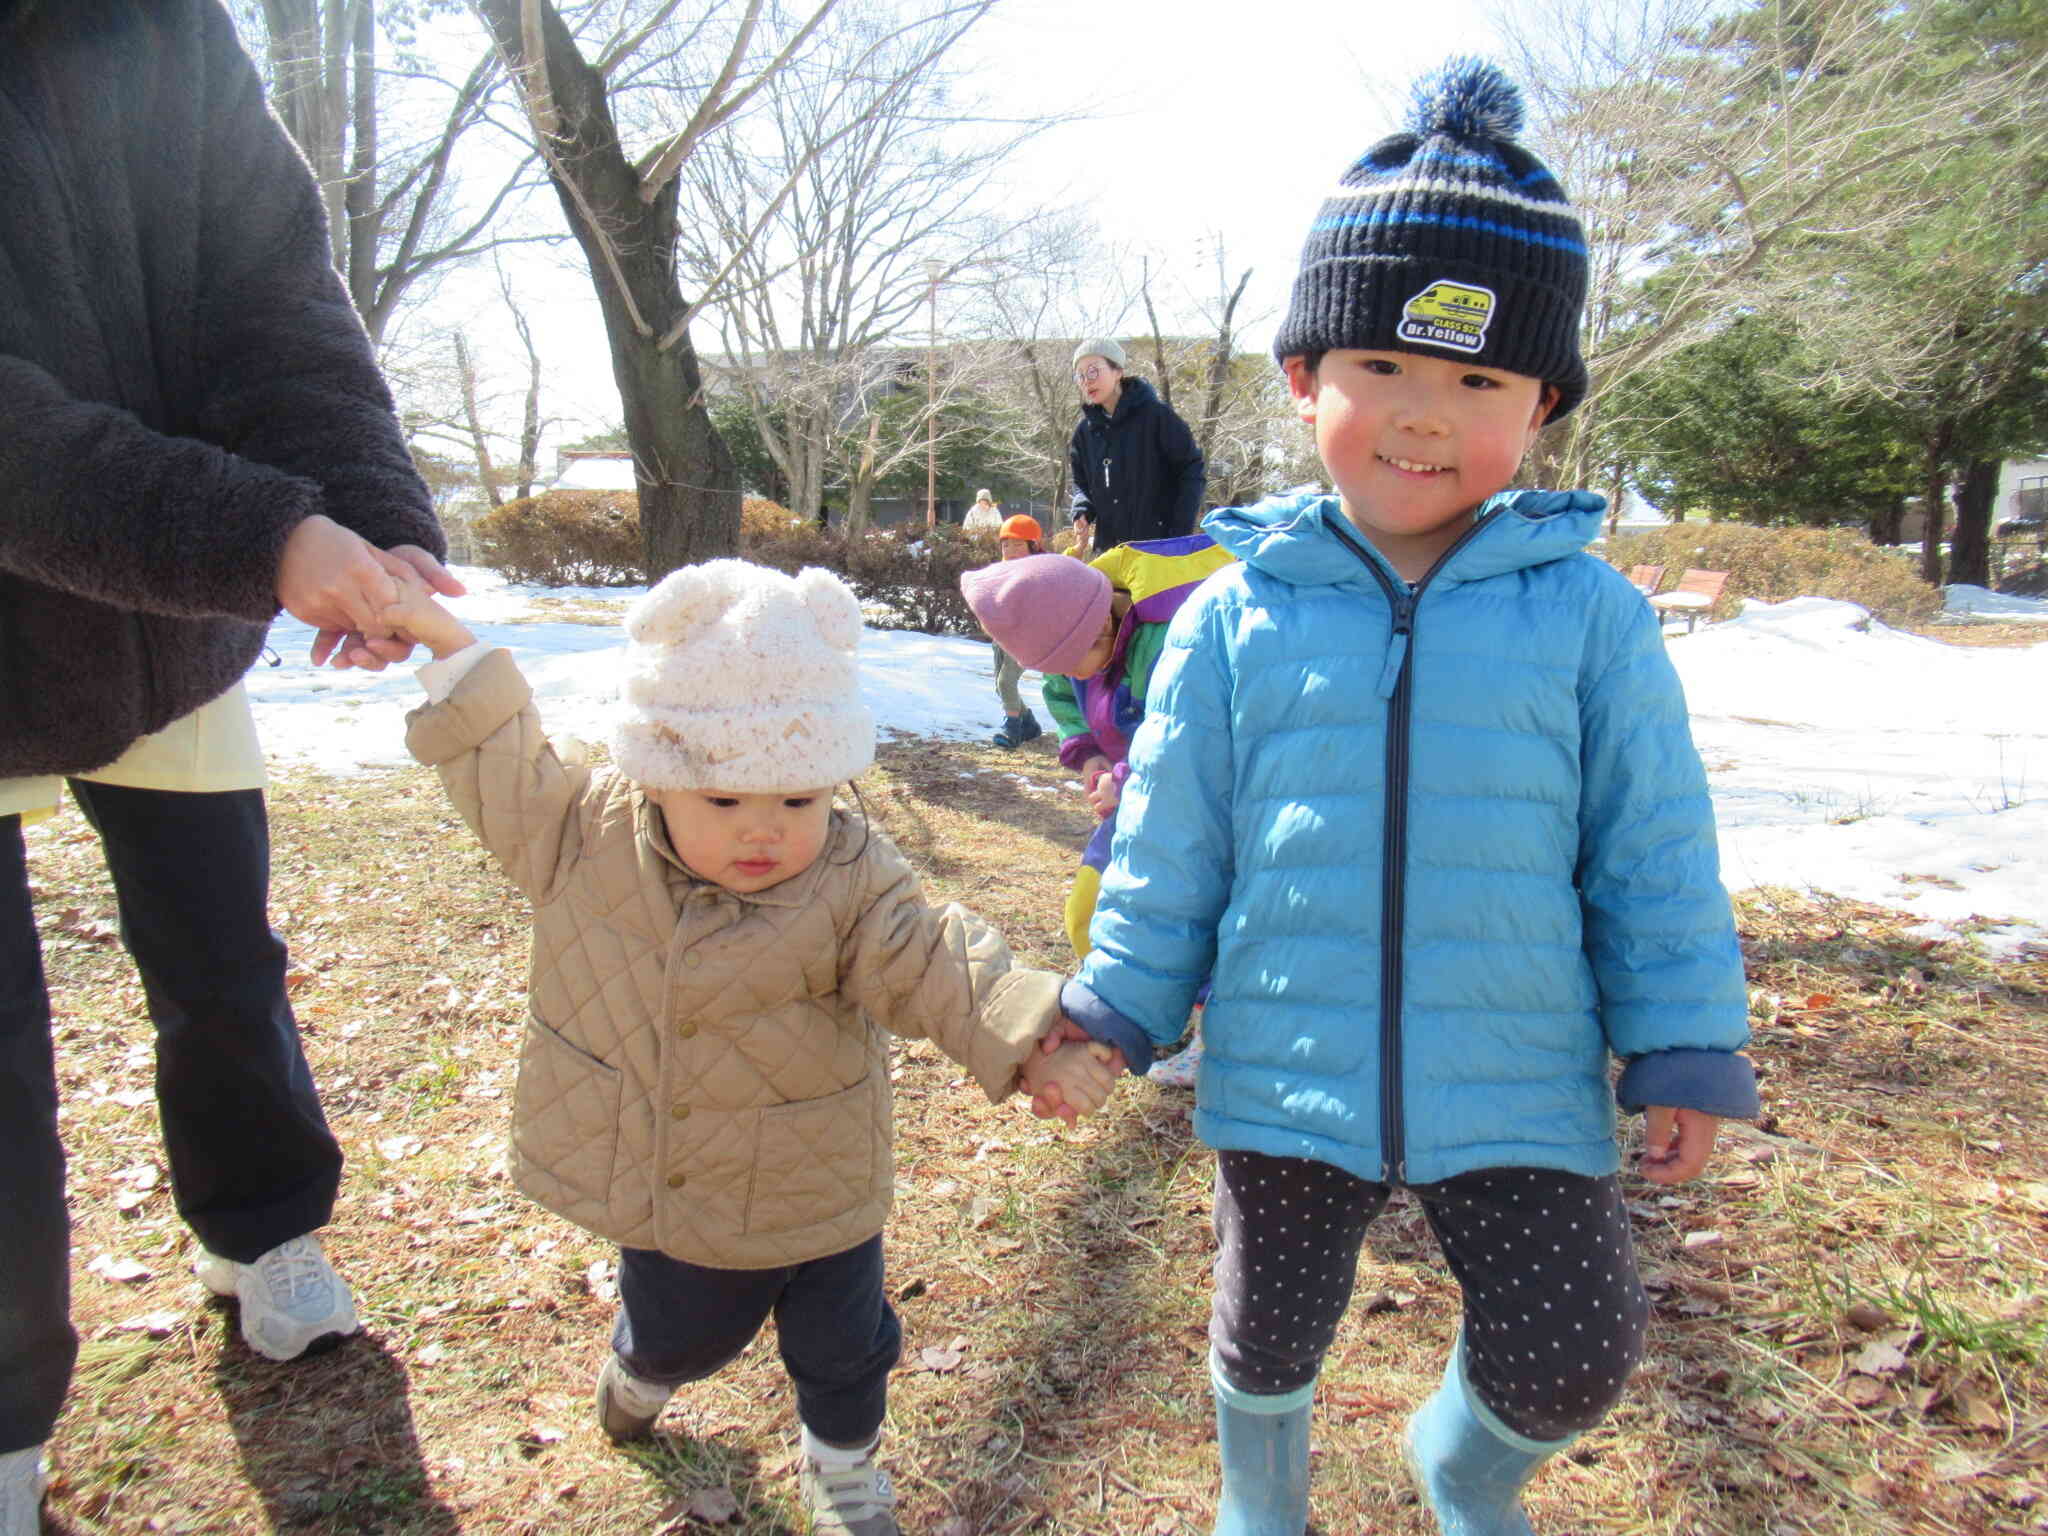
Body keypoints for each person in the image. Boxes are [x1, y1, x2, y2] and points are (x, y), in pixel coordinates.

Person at [1050, 60, 1757, 1535]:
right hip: (1289, 1068)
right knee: (1266, 1332)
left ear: (1542, 404)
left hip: (1520, 1067)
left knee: (1573, 1355)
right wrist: (1120, 1002)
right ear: (1308, 380)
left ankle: (1462, 1461)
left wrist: (1683, 1039)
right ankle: (1265, 1501)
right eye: (1387, 369)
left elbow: (1653, 855)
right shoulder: (1241, 617)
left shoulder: (1592, 620)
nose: (1425, 417)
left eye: (1479, 381)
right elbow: (1172, 841)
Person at [380, 559, 1116, 1536]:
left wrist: (1031, 1045)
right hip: (678, 1187)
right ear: (660, 773)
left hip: (820, 1183)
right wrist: (444, 646)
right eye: (725, 801)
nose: (764, 829)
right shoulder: (581, 834)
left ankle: (844, 1470)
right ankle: (641, 1373)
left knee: (848, 1352)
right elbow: (500, 762)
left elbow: (933, 959)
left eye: (799, 800)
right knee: (683, 1336)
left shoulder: (850, 872)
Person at [0, 4, 463, 1527]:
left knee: (221, 955)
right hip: (109, 574)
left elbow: (270, 300)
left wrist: (368, 510)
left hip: (162, 643)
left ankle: (258, 1228)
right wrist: (263, 536)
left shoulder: (169, 31)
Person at [961, 535, 1236, 1089]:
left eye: (1085, 656)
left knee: (1201, 914)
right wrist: (1089, 757)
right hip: (1129, 799)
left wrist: (1125, 778)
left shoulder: (1169, 637)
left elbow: (1188, 735)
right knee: (1090, 909)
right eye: (1059, 668)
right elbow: (1067, 705)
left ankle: (1214, 1039)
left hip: (1201, 802)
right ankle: (1141, 1014)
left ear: (1109, 617)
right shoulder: (1068, 655)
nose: (1080, 674)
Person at [1068, 338, 1206, 553]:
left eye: (1093, 371)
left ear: (1118, 371)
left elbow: (1192, 470)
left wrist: (1178, 535)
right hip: (1109, 551)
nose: (1087, 380)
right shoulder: (1084, 433)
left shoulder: (1158, 417)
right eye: (1080, 375)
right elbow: (1081, 485)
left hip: (1157, 549)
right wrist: (1082, 510)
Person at [985, 514, 1049, 749]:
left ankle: (1011, 729)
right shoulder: (999, 571)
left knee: (1006, 682)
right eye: (1005, 544)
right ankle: (1029, 724)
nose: (1010, 550)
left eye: (1018, 545)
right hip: (1001, 634)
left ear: (1034, 546)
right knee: (1000, 685)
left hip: (1025, 636)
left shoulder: (1040, 571)